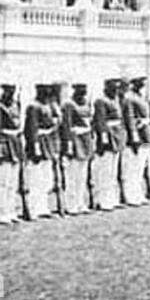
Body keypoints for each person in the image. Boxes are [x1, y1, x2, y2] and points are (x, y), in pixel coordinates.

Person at [0, 83, 24, 224]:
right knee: (2, 182)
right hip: (4, 146)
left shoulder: (15, 105)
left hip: (15, 145)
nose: (11, 94)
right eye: (8, 91)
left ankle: (10, 210)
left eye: (13, 91)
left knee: (12, 183)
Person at [23, 83, 60, 219]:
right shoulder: (33, 106)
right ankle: (34, 208)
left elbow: (54, 123)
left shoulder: (49, 106)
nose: (47, 92)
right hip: (38, 143)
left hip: (47, 143)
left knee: (46, 179)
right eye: (44, 90)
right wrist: (36, 149)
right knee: (36, 179)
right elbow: (32, 130)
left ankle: (43, 207)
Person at [91, 78, 125, 211]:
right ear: (106, 89)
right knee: (104, 172)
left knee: (112, 171)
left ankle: (111, 198)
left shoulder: (115, 101)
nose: (115, 91)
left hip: (116, 137)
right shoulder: (101, 101)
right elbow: (100, 123)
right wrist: (103, 140)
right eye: (112, 89)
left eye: (116, 89)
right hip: (107, 139)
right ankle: (102, 200)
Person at [60, 82, 93, 215]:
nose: (83, 93)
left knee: (82, 175)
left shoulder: (86, 104)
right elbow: (66, 127)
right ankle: (71, 205)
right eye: (80, 91)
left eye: (84, 90)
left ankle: (81, 203)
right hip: (74, 142)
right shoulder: (68, 104)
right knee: (72, 176)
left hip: (85, 141)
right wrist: (68, 146)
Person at [121, 75, 150, 206]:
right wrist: (134, 137)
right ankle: (131, 196)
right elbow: (130, 119)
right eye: (139, 82)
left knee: (139, 167)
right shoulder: (129, 98)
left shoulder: (140, 96)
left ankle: (138, 193)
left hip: (144, 135)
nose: (142, 84)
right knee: (132, 168)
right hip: (136, 137)